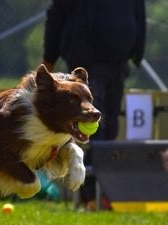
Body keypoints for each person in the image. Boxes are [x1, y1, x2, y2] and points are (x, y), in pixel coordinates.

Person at [42, 0, 146, 209]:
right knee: (96, 129)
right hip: (87, 64)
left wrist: (137, 50)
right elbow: (56, 15)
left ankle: (94, 193)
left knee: (110, 131)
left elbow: (139, 14)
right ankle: (89, 195)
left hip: (118, 64)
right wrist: (49, 59)